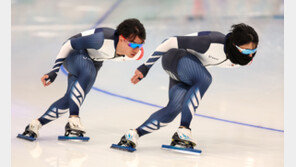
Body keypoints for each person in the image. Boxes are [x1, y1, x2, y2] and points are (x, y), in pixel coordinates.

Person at [116, 23, 259, 149]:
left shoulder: (237, 59)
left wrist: (246, 54)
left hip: (186, 69)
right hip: (175, 57)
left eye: (253, 51)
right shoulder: (210, 42)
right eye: (246, 51)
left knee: (173, 108)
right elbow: (169, 41)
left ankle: (133, 135)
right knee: (205, 79)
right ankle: (184, 129)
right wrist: (145, 67)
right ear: (234, 45)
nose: (250, 56)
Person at [18, 18, 146, 140]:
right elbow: (69, 45)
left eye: (140, 45)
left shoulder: (135, 54)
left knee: (72, 99)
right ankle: (74, 119)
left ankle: (35, 125)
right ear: (122, 39)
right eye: (133, 45)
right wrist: (54, 70)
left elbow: (144, 60)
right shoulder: (101, 39)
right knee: (87, 72)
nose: (137, 49)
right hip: (75, 53)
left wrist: (143, 70)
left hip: (94, 61)